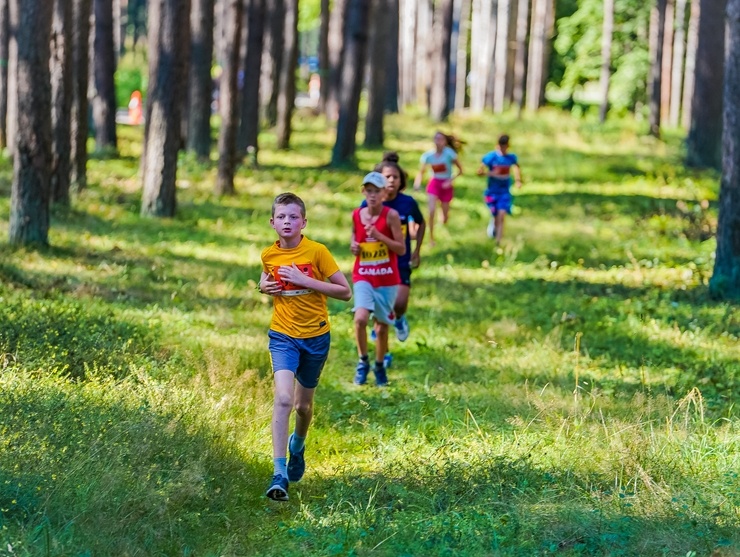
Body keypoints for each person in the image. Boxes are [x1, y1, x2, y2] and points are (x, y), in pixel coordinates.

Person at [259, 192, 352, 501]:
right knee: (284, 399)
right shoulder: (268, 254)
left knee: (303, 406)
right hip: (282, 336)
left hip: (315, 336)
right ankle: (279, 473)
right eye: (282, 217)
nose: (288, 222)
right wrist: (263, 286)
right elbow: (266, 274)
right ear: (273, 223)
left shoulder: (317, 252)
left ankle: (297, 445)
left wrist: (304, 280)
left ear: (303, 222)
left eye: (293, 217)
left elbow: (344, 292)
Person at [361, 153, 426, 368]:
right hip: (376, 263)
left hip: (400, 259)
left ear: (401, 181)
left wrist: (416, 251)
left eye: (395, 177)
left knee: (399, 304)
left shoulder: (407, 203)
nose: (391, 181)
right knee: (380, 313)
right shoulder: (367, 204)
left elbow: (421, 222)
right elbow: (360, 231)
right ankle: (384, 353)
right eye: (387, 177)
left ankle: (399, 319)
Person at [351, 171, 406, 386]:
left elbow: (401, 249)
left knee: (382, 327)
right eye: (369, 191)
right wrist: (354, 247)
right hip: (363, 275)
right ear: (363, 192)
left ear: (384, 193)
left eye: (377, 191)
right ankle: (363, 361)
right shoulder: (356, 214)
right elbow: (354, 239)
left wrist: (380, 236)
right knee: (360, 318)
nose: (372, 196)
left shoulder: (391, 216)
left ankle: (380, 365)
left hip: (387, 279)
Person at [413, 131, 464, 246]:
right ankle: (431, 239)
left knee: (445, 217)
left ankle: (443, 224)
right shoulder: (428, 156)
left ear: (445, 142)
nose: (438, 142)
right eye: (436, 139)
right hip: (434, 183)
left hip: (446, 185)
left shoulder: (449, 154)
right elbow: (421, 172)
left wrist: (450, 180)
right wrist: (417, 183)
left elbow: (460, 170)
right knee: (431, 211)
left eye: (441, 139)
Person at [477, 134, 523, 243]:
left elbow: (516, 167)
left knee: (502, 214)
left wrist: (518, 180)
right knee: (496, 214)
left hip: (504, 191)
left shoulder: (510, 158)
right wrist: (491, 173)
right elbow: (479, 172)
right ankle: (493, 225)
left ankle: (498, 241)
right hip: (492, 192)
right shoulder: (491, 157)